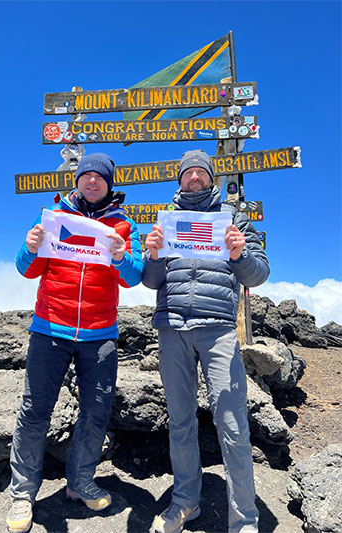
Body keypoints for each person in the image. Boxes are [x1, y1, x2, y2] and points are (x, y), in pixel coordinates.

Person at [6, 153, 144, 533]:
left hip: (100, 335)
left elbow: (134, 277)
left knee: (96, 413)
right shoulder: (53, 217)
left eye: (100, 177)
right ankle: (23, 494)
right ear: (78, 179)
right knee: (35, 411)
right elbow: (25, 269)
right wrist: (30, 246)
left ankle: (80, 482)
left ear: (109, 184)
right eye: (87, 176)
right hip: (50, 329)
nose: (93, 181)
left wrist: (121, 257)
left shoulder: (123, 225)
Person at [143, 149, 269, 533]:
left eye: (201, 171)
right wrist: (153, 255)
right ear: (180, 179)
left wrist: (239, 255)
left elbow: (259, 274)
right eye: (188, 172)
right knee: (180, 422)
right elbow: (150, 280)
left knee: (232, 423)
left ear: (212, 178)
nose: (194, 177)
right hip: (171, 327)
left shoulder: (234, 219)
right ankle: (186, 502)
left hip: (217, 329)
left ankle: (244, 519)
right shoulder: (166, 221)